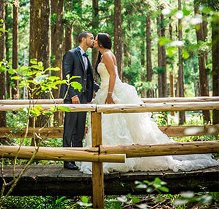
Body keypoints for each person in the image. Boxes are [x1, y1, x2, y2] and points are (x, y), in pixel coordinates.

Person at [80, 33, 218, 174]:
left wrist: (109, 95)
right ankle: (109, 154)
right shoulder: (104, 55)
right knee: (109, 124)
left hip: (112, 92)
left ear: (101, 43)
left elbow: (113, 75)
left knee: (114, 122)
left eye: (96, 39)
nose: (94, 42)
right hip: (105, 90)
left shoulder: (107, 55)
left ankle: (119, 155)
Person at [59, 31, 99, 170]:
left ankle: (78, 158)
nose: (93, 40)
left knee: (80, 129)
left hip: (83, 99)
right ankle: (67, 160)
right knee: (69, 129)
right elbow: (67, 76)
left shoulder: (86, 57)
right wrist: (73, 95)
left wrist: (102, 89)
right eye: (91, 38)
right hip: (72, 98)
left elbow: (89, 80)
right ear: (83, 39)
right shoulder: (70, 54)